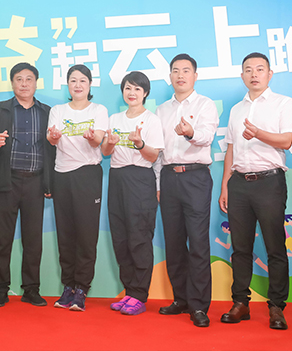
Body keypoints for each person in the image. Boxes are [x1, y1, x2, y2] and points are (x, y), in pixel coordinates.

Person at [218, 52, 292, 329]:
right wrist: (226, 185)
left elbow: (287, 141)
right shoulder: (236, 110)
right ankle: (240, 303)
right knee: (240, 248)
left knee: (275, 246)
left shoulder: (283, 103)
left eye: (260, 69)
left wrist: (258, 133)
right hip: (239, 183)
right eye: (248, 70)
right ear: (242, 76)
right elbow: (230, 148)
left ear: (269, 74)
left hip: (269, 182)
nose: (254, 74)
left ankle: (276, 307)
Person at [0, 62, 54, 307]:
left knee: (33, 240)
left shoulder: (46, 112)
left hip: (35, 182)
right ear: (12, 83)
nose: (24, 84)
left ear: (36, 83)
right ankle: (0, 290)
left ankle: (31, 289)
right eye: (19, 79)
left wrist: (50, 183)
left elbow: (52, 148)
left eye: (29, 79)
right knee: (2, 239)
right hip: (6, 180)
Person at [156, 53, 219, 328]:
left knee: (198, 242)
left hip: (195, 177)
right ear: (170, 76)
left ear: (195, 75)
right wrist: (158, 184)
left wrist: (190, 132)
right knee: (174, 242)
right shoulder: (161, 110)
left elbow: (206, 136)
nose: (180, 75)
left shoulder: (205, 105)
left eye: (185, 70)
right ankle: (180, 299)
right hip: (169, 178)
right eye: (175, 71)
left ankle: (199, 305)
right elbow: (158, 153)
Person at [101, 71, 164, 316]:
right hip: (117, 178)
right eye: (128, 88)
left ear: (145, 93)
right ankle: (129, 291)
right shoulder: (114, 118)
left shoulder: (152, 120)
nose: (132, 93)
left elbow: (153, 155)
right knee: (121, 237)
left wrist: (139, 143)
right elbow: (106, 152)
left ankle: (139, 294)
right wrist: (110, 142)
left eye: (137, 89)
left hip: (140, 179)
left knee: (139, 237)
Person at [47, 64, 108, 312]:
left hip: (87, 174)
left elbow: (99, 140)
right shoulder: (58, 110)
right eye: (73, 80)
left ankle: (82, 288)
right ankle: (68, 286)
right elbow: (51, 139)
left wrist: (92, 137)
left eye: (83, 80)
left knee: (86, 234)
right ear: (68, 85)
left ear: (90, 84)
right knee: (66, 234)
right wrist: (53, 137)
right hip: (61, 174)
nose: (78, 85)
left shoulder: (98, 110)